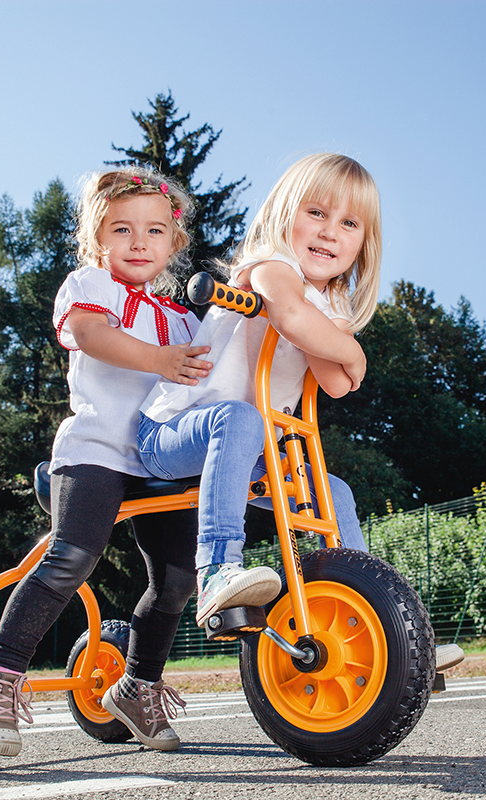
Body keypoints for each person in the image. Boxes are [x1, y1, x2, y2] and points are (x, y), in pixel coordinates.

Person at [0, 166, 211, 757]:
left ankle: (137, 686)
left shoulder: (184, 319)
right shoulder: (91, 285)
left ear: (174, 241)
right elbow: (93, 335)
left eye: (154, 230)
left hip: (157, 459)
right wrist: (162, 360)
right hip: (94, 450)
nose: (139, 241)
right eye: (122, 229)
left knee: (178, 580)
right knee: (71, 558)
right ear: (98, 238)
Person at [137, 153, 378, 629]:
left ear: (363, 244)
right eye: (316, 213)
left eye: (349, 223)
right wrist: (353, 352)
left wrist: (339, 345)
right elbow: (292, 318)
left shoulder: (330, 301)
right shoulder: (270, 266)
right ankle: (217, 568)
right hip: (170, 432)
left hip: (249, 448)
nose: (330, 232)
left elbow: (335, 383)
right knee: (240, 418)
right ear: (284, 215)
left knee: (334, 492)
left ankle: (371, 612)